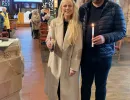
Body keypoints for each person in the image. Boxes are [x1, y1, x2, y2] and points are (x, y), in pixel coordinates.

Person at [79, 0, 126, 100]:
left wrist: (105, 38)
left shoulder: (114, 8)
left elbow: (121, 31)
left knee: (100, 86)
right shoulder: (83, 8)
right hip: (86, 55)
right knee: (85, 86)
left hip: (103, 56)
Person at [45, 0, 82, 100]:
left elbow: (78, 48)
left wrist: (74, 66)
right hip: (56, 60)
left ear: (73, 8)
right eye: (64, 6)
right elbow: (50, 37)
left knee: (68, 93)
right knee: (55, 89)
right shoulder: (54, 22)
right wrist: (49, 43)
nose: (67, 8)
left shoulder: (77, 25)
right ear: (61, 8)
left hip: (69, 63)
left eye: (70, 6)